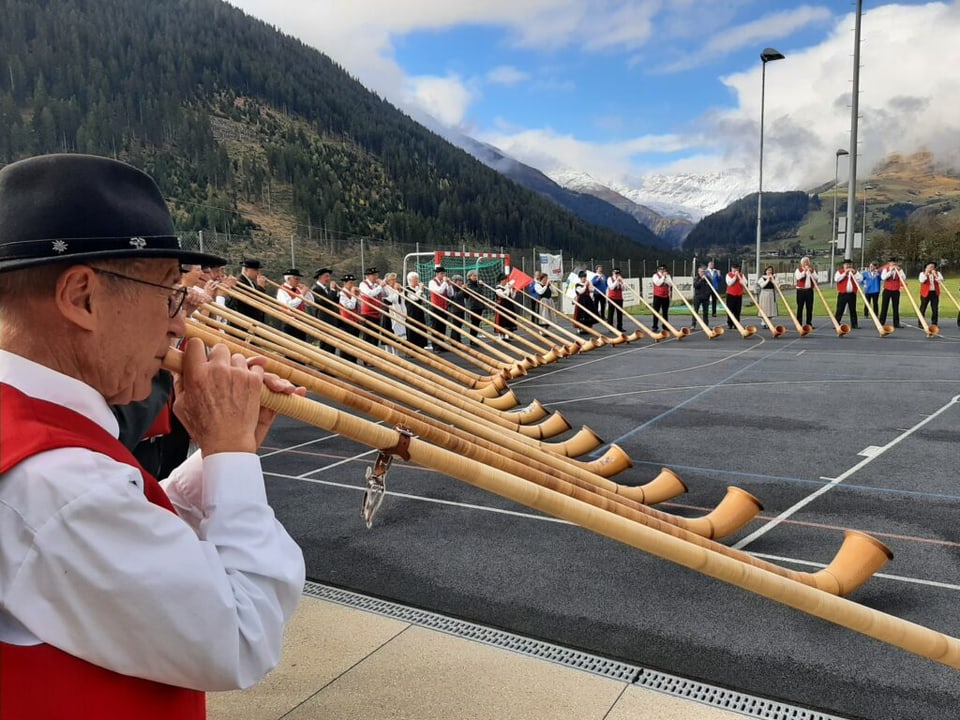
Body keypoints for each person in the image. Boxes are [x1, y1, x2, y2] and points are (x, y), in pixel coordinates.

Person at [0, 153, 305, 717]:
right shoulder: (55, 482)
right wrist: (230, 453)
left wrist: (218, 451)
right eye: (169, 294)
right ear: (82, 297)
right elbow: (241, 635)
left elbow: (127, 524)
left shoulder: (32, 444)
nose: (179, 325)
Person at [226, 258, 270, 323]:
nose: (258, 273)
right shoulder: (240, 283)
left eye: (258, 270)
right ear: (246, 270)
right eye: (255, 270)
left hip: (254, 321)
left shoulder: (252, 283)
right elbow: (253, 301)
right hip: (246, 322)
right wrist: (260, 287)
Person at [276, 268, 313, 342]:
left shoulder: (298, 289)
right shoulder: (282, 290)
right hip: (289, 322)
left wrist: (307, 293)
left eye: (299, 279)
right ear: (289, 279)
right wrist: (302, 294)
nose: (298, 281)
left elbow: (310, 303)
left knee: (302, 344)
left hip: (301, 321)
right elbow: (290, 306)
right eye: (296, 279)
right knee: (290, 346)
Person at [309, 267, 340, 355]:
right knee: (325, 344)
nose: (328, 279)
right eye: (326, 276)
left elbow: (334, 301)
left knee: (332, 344)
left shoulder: (326, 289)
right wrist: (333, 290)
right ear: (320, 277)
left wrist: (337, 292)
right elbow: (326, 302)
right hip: (324, 319)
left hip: (331, 319)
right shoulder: (316, 289)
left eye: (329, 277)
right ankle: (324, 367)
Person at [427, 265, 455, 350]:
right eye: (442, 274)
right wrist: (445, 283)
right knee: (436, 327)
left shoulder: (444, 283)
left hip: (444, 307)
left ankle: (442, 345)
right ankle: (435, 346)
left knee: (442, 327)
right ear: (438, 274)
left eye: (444, 273)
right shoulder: (432, 282)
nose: (443, 275)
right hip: (435, 307)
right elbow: (439, 291)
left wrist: (449, 285)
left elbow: (450, 294)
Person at [338, 273, 361, 364]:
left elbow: (360, 306)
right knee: (347, 343)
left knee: (355, 343)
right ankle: (345, 362)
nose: (352, 285)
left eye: (353, 283)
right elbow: (350, 306)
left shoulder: (352, 294)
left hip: (355, 320)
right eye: (350, 283)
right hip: (346, 322)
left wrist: (358, 296)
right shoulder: (341, 293)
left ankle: (353, 361)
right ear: (345, 283)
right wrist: (353, 295)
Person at [381, 272, 408, 353]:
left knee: (396, 333)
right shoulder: (385, 289)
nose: (394, 281)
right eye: (392, 280)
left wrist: (400, 291)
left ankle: (395, 353)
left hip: (398, 312)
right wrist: (396, 290)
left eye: (395, 279)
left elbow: (401, 300)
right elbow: (392, 299)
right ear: (388, 281)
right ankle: (387, 352)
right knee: (388, 332)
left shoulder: (396, 289)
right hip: (389, 311)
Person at [358, 266, 385, 345]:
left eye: (376, 275)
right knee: (368, 337)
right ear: (367, 276)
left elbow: (384, 294)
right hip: (367, 314)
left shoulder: (376, 285)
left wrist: (383, 286)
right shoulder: (363, 284)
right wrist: (380, 286)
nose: (375, 277)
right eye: (373, 275)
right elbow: (369, 294)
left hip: (377, 314)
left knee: (375, 338)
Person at [404, 271, 429, 349]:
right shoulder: (407, 289)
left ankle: (421, 346)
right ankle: (412, 348)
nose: (417, 281)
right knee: (412, 330)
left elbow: (424, 299)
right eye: (416, 280)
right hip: (411, 312)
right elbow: (415, 298)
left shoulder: (417, 289)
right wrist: (420, 290)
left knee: (421, 328)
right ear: (410, 280)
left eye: (417, 279)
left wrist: (421, 290)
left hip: (419, 312)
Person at [879, 257, 906, 328]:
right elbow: (883, 277)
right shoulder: (886, 269)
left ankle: (896, 323)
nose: (894, 264)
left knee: (896, 307)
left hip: (896, 290)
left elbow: (903, 278)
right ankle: (881, 322)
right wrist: (891, 271)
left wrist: (899, 271)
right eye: (892, 262)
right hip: (887, 290)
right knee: (884, 306)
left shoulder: (900, 270)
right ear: (889, 263)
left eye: (895, 262)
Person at [834, 260, 861, 329]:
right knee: (840, 309)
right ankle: (837, 323)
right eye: (846, 264)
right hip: (842, 293)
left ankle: (854, 324)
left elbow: (860, 279)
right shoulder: (839, 272)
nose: (848, 266)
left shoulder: (855, 272)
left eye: (849, 264)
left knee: (853, 310)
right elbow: (837, 279)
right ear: (844, 265)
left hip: (852, 294)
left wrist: (854, 273)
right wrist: (845, 273)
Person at [494, 273, 519, 339]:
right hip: (501, 306)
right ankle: (500, 335)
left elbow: (512, 296)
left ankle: (507, 335)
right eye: (504, 280)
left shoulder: (507, 287)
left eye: (506, 280)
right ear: (501, 280)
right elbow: (504, 295)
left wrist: (514, 290)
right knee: (502, 321)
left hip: (509, 305)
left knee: (509, 320)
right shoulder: (498, 288)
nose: (505, 281)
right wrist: (508, 288)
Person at [919, 262, 944, 327]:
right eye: (929, 267)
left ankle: (934, 323)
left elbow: (941, 280)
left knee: (935, 309)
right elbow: (922, 280)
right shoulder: (922, 274)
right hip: (925, 293)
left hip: (934, 293)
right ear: (926, 267)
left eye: (932, 267)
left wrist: (935, 275)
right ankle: (921, 323)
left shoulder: (937, 273)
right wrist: (926, 273)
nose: (931, 268)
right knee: (923, 308)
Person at [463, 270, 486, 340]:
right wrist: (480, 285)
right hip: (473, 306)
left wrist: (480, 285)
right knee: (474, 323)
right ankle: (472, 339)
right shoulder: (469, 284)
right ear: (470, 276)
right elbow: (476, 292)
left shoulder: (476, 283)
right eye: (474, 276)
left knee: (477, 322)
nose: (476, 277)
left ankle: (475, 337)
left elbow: (481, 292)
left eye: (476, 276)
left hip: (479, 306)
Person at [651, 264, 672, 332]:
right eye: (661, 269)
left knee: (665, 312)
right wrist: (663, 277)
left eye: (664, 269)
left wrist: (665, 278)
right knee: (656, 312)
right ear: (658, 270)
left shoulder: (668, 276)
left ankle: (665, 326)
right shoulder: (655, 276)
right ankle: (655, 326)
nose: (663, 271)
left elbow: (670, 284)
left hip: (665, 296)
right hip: (657, 296)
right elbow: (658, 283)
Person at [725, 262, 745, 329]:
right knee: (730, 310)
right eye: (734, 268)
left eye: (737, 268)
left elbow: (745, 283)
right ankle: (730, 323)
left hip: (739, 295)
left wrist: (741, 280)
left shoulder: (742, 275)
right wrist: (735, 277)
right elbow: (729, 283)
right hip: (730, 295)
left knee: (737, 310)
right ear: (732, 268)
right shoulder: (728, 275)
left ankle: (737, 324)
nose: (735, 270)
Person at [448, 274, 466, 345]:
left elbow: (466, 296)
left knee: (459, 325)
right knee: (456, 326)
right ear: (455, 281)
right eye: (459, 281)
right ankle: (454, 342)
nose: (461, 282)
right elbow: (455, 296)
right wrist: (462, 289)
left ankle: (458, 340)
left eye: (461, 280)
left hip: (461, 309)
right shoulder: (452, 288)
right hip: (455, 310)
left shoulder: (459, 288)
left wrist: (465, 290)